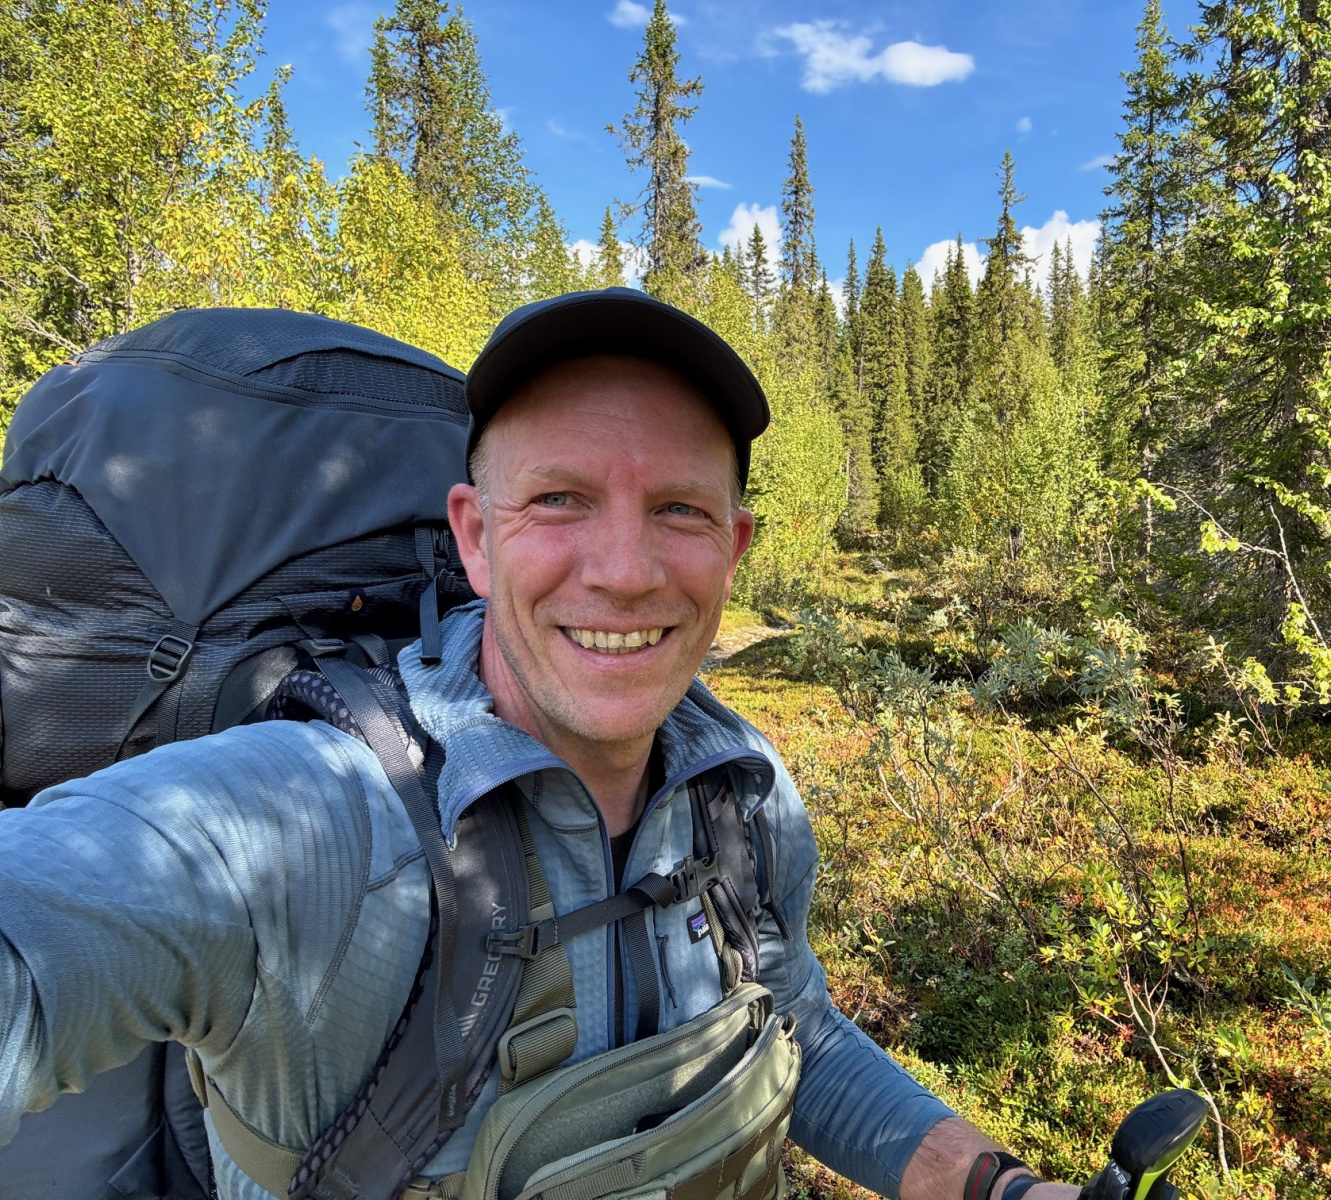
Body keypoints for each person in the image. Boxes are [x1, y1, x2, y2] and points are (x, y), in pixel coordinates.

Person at [0, 289, 1080, 1200]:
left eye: (679, 510)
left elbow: (795, 1024)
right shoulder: (306, 819)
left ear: (735, 547)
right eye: (560, 499)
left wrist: (1000, 1187)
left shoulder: (740, 796)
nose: (624, 571)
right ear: (475, 536)